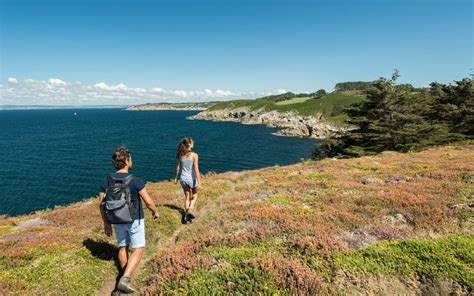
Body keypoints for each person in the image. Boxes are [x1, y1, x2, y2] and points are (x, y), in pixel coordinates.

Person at [99, 146, 159, 294]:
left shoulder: (106, 180)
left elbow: (101, 205)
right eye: (130, 158)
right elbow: (148, 201)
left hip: (116, 219)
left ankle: (123, 278)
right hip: (135, 219)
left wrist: (106, 223)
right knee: (138, 248)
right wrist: (155, 211)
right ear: (127, 161)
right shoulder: (136, 180)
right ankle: (125, 279)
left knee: (122, 247)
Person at [174, 138, 202, 223]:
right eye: (192, 142)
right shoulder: (194, 155)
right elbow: (196, 169)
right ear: (189, 144)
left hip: (183, 179)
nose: (194, 143)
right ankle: (190, 209)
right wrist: (199, 183)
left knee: (187, 197)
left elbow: (178, 167)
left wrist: (176, 177)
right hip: (191, 179)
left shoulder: (180, 154)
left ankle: (186, 215)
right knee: (195, 195)